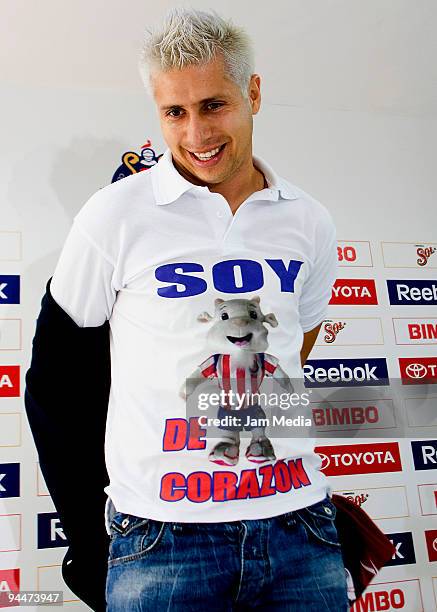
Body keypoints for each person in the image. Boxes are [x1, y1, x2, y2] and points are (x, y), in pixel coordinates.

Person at [27, 8, 349, 611]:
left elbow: (294, 348)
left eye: (213, 105)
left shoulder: (309, 220)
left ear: (253, 93)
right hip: (162, 539)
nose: (196, 133)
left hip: (299, 527)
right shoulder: (113, 214)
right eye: (175, 112)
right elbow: (54, 386)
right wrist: (88, 535)